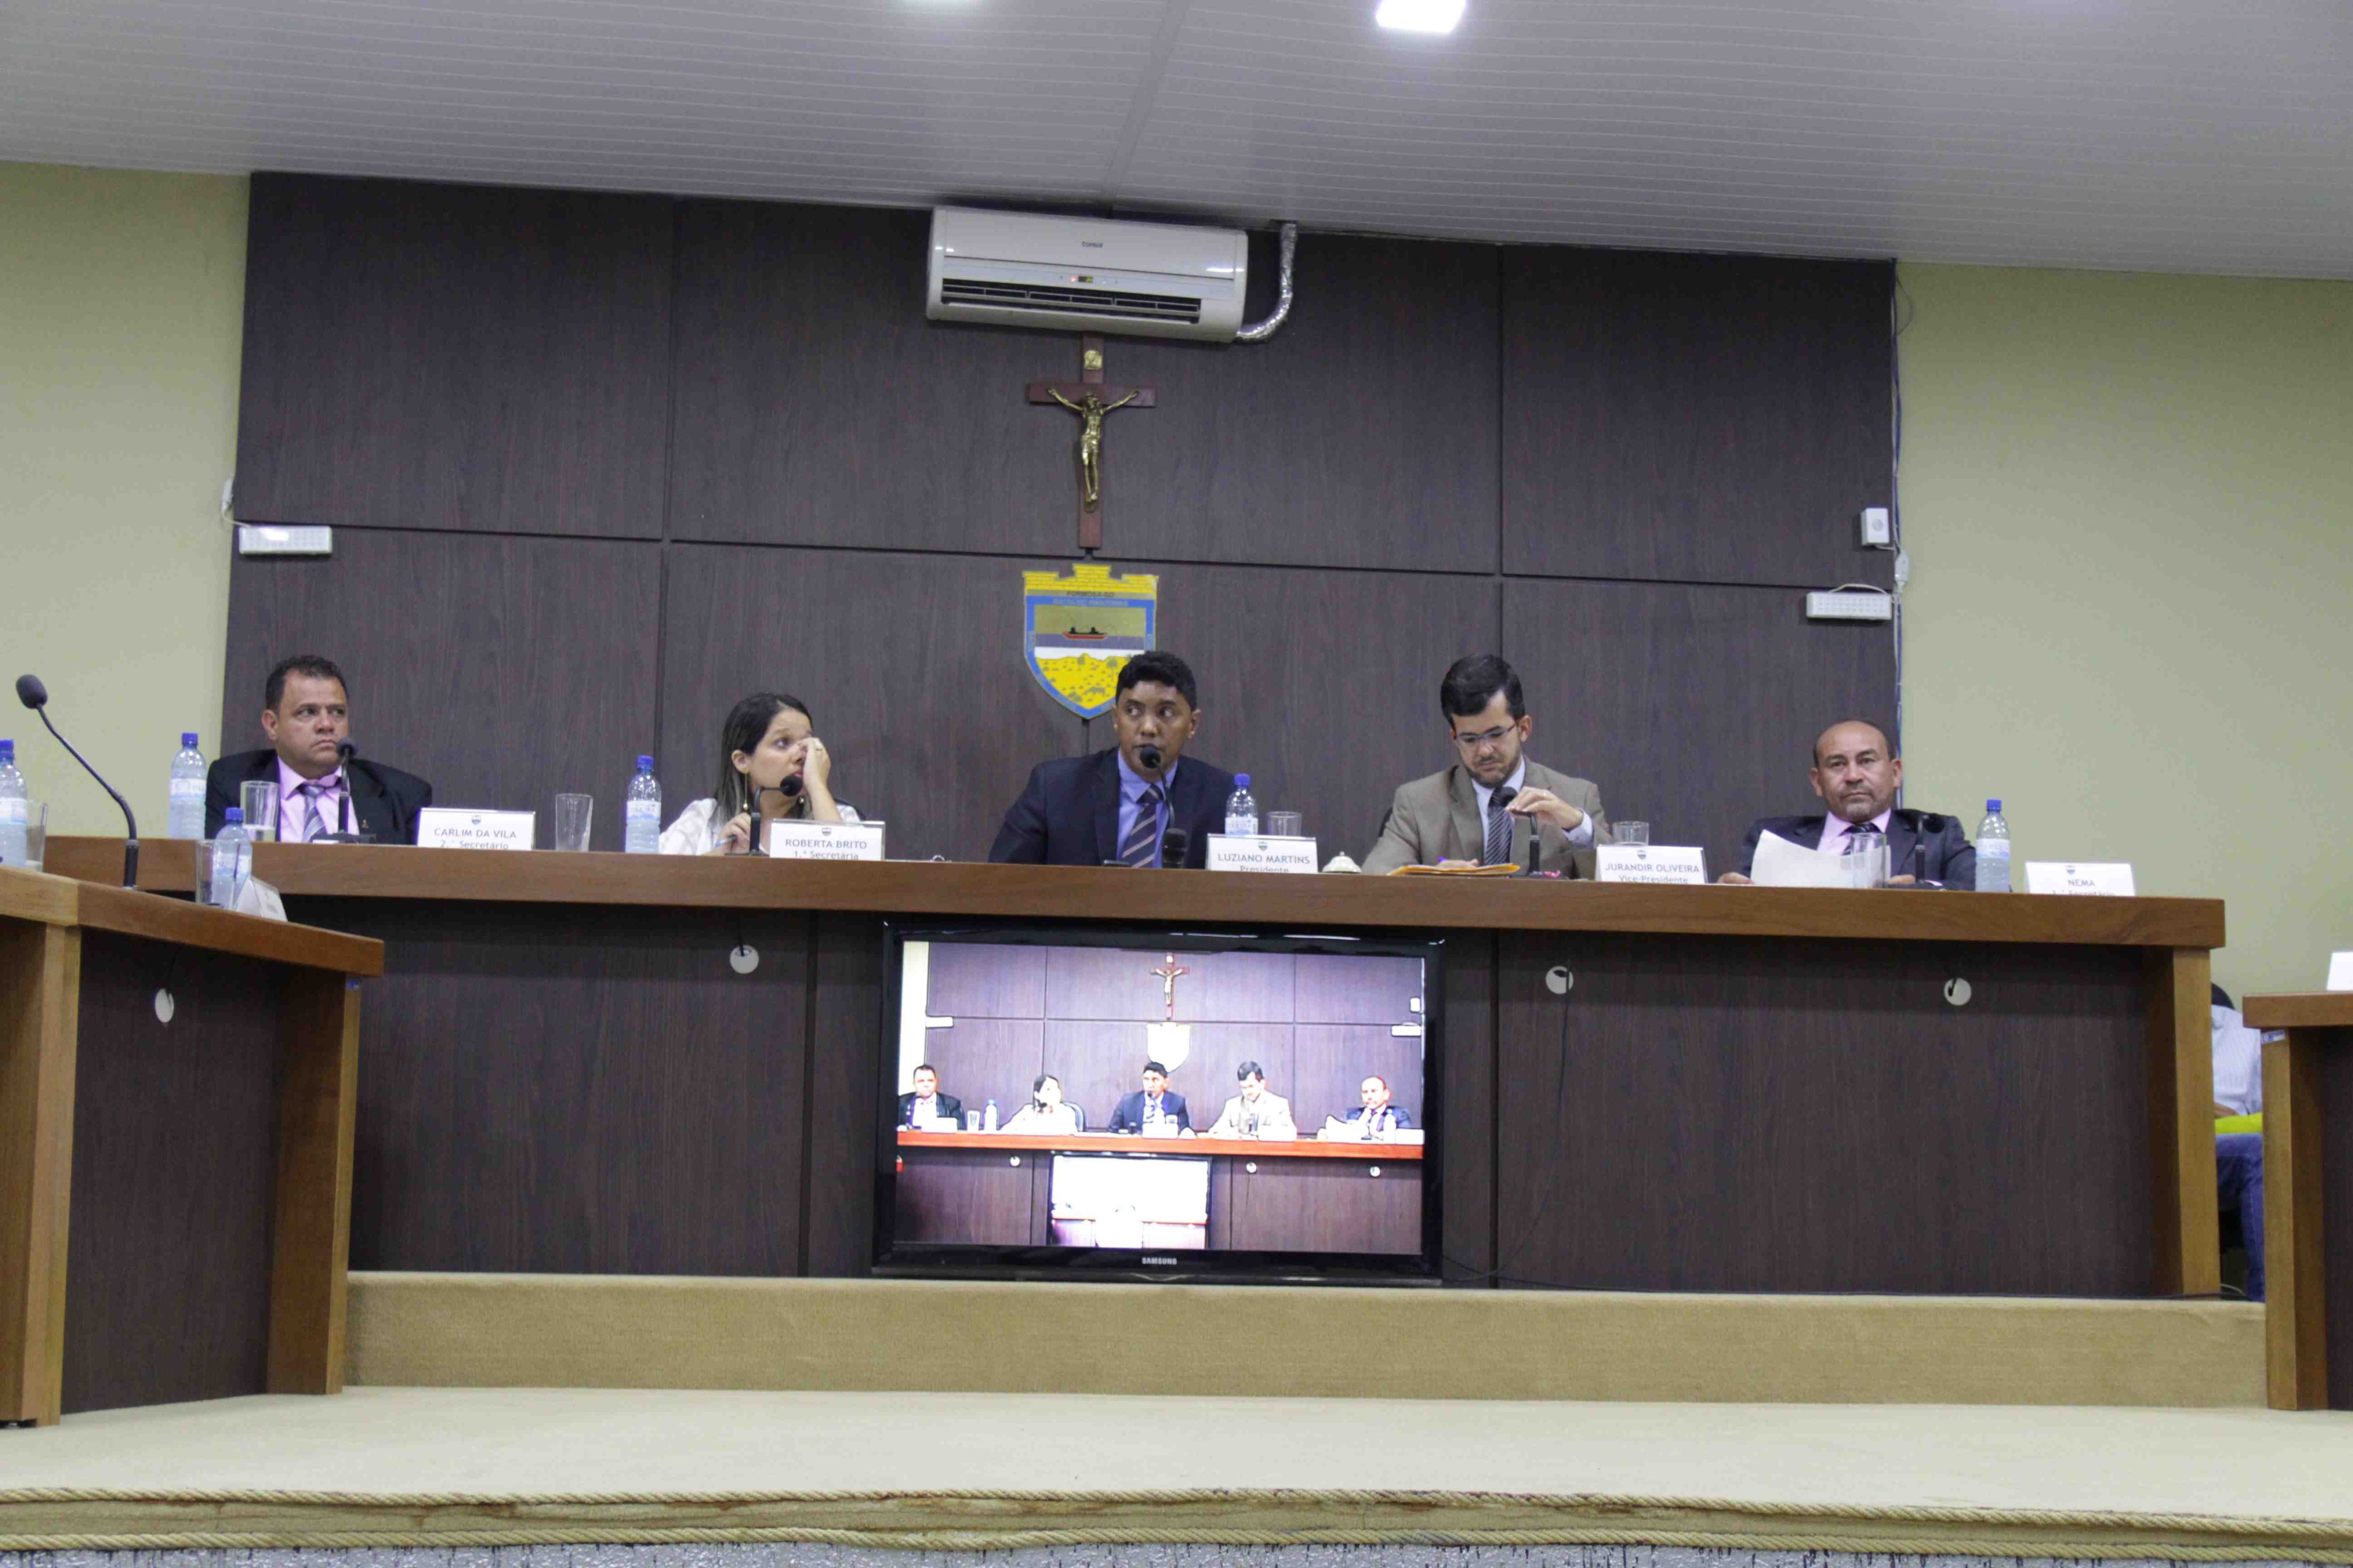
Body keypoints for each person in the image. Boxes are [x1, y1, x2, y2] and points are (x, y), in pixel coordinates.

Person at [1359, 654, 1607, 877]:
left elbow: (1619, 885)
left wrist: (1577, 826)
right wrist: (1428, 881)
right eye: (1470, 739)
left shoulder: (1577, 798)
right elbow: (1374, 880)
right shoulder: (1417, 803)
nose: (1485, 751)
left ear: (1523, 728)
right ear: (1454, 738)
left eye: (1496, 734)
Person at [989, 651, 1235, 868]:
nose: (1148, 728)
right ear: (1116, 719)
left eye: (1166, 713)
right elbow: (1000, 881)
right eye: (1133, 711)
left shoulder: (1222, 798)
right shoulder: (1055, 789)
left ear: (1192, 724)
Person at [206, 655, 433, 842]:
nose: (327, 725)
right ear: (272, 725)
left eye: (337, 712)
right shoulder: (232, 783)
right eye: (308, 712)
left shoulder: (402, 796)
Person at [1720, 719, 1974, 886]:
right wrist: (1726, 895)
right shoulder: (1774, 838)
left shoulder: (1935, 834)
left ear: (1896, 773)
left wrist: (1924, 889)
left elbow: (1987, 889)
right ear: (1818, 782)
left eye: (1866, 761)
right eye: (1837, 764)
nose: (1853, 776)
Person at [660, 693, 855, 855]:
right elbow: (653, 878)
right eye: (783, 742)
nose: (802, 756)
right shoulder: (704, 819)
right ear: (742, 761)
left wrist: (817, 785)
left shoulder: (841, 818)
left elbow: (851, 881)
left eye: (807, 744)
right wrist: (716, 860)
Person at [2212, 985, 2265, 1301]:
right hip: (2156, 1141)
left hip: (2227, 1144)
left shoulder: (2245, 1031)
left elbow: (2270, 1111)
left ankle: (2270, 1306)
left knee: (2262, 1149)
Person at [1207, 1060, 1296, 1138]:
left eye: (1251, 1086)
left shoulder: (1278, 1105)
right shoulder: (1232, 1105)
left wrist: (1259, 1133)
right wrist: (1231, 1133)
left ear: (1262, 1084)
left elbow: (1290, 1134)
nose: (1248, 1092)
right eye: (1244, 1088)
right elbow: (1214, 1132)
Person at [1109, 1060, 1190, 1134]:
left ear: (1166, 1083)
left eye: (1155, 1080)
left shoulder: (1177, 1103)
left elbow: (1184, 1133)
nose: (1150, 1085)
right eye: (1146, 1079)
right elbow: (1112, 1133)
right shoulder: (1128, 1102)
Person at [1002, 1073, 1084, 1135]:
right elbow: (1005, 1133)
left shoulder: (1067, 1113)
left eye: (1057, 1089)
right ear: (1037, 1095)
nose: (1054, 1093)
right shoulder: (1027, 1112)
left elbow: (1069, 1138)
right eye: (1049, 1089)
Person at [1344, 1075, 1415, 1137]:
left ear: (1386, 1094)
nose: (1369, 1097)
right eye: (1365, 1092)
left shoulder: (1400, 1114)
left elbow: (1404, 1139)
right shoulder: (1351, 1114)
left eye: (1374, 1091)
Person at [896, 1064, 962, 1129]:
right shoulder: (901, 1102)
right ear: (914, 1084)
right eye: (921, 1081)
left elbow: (960, 1130)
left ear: (936, 1082)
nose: (926, 1085)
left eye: (930, 1081)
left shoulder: (952, 1104)